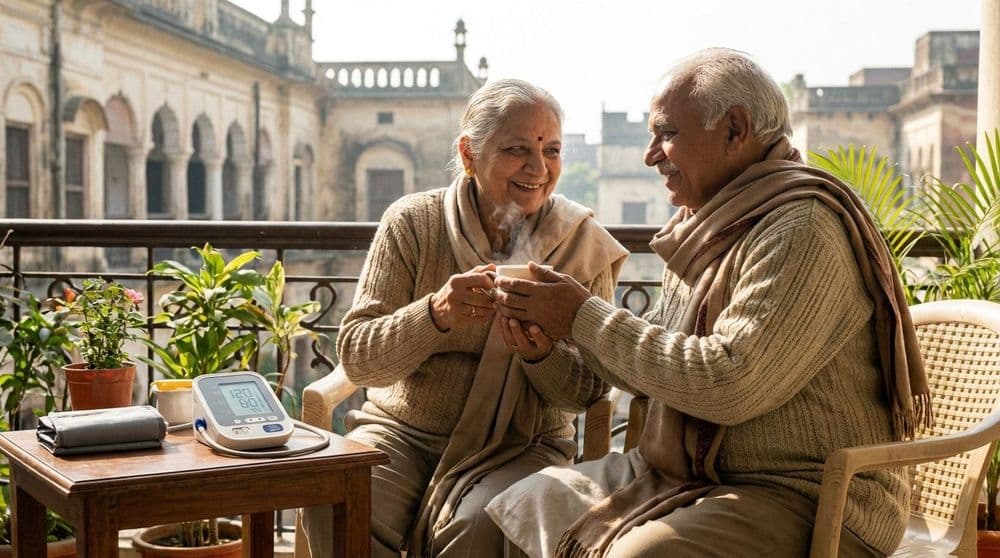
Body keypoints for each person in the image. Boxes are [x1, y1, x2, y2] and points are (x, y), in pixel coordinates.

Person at [486, 49, 930, 558]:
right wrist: (552, 335)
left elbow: (729, 384)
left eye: (667, 134)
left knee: (639, 556)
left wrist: (583, 316)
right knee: (518, 504)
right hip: (697, 473)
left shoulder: (802, 228)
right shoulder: (710, 227)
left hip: (807, 494)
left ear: (735, 131)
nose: (651, 155)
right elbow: (646, 368)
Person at [300, 79, 628, 558]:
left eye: (551, 150)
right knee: (337, 499)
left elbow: (586, 392)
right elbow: (358, 357)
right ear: (470, 153)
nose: (538, 168)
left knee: (479, 525)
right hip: (401, 434)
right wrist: (434, 315)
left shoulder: (580, 243)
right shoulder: (413, 223)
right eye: (518, 149)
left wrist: (540, 353)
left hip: (523, 445)